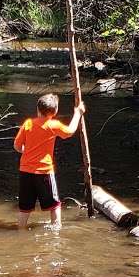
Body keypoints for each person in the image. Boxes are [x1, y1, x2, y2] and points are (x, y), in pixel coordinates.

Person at [13, 92, 85, 229]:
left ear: (37, 109)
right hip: (44, 172)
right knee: (54, 204)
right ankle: (56, 230)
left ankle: (20, 230)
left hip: (25, 171)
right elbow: (70, 131)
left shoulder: (28, 124)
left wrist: (27, 151)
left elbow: (16, 146)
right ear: (55, 111)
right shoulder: (53, 125)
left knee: (25, 206)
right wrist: (78, 113)